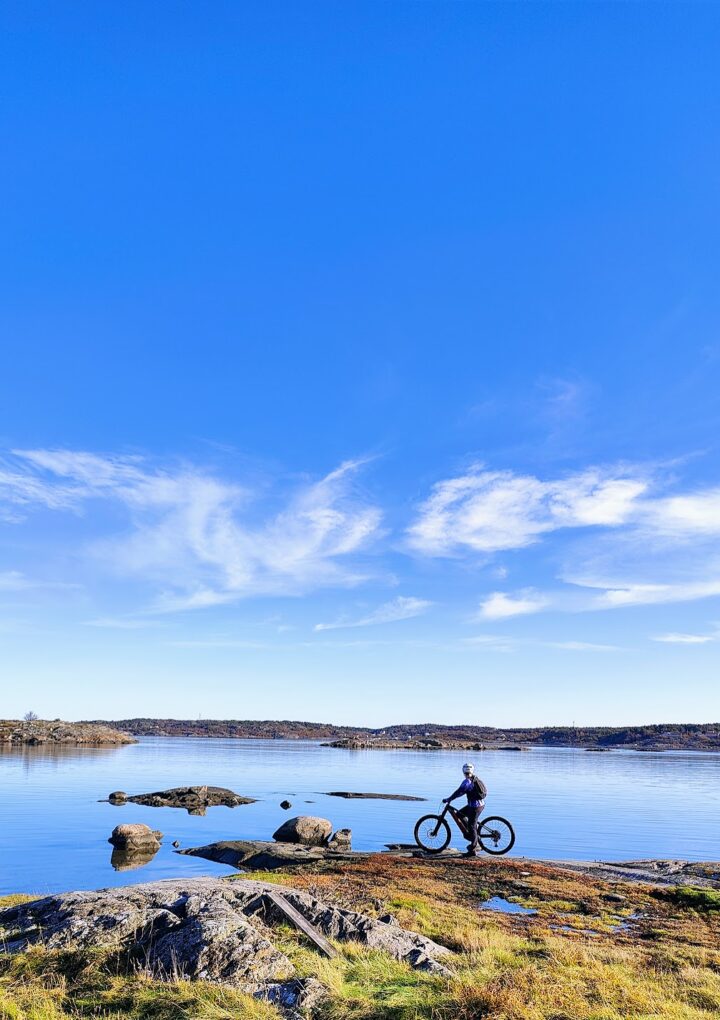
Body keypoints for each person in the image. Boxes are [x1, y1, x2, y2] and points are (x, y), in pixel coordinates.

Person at [443, 762, 487, 857]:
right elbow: (461, 792)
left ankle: (473, 848)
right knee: (459, 815)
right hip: (477, 805)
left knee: (472, 826)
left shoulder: (467, 782)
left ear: (463, 771)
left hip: (475, 807)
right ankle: (472, 835)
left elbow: (459, 792)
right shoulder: (474, 778)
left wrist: (449, 799)